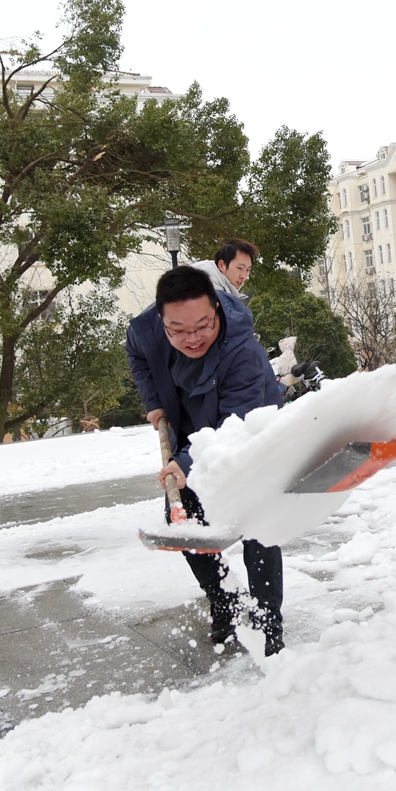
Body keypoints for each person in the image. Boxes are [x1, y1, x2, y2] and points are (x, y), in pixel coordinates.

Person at [125, 264, 286, 653]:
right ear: (160, 319)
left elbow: (234, 424)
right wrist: (154, 404)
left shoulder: (241, 349)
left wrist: (185, 461)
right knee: (184, 524)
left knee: (257, 526)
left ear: (216, 307)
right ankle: (225, 601)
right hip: (187, 424)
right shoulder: (144, 331)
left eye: (202, 326)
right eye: (178, 330)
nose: (192, 338)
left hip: (246, 430)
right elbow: (139, 359)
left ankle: (267, 622)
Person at [191, 238, 258, 298]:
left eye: (248, 270)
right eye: (240, 268)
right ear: (222, 265)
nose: (244, 276)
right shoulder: (203, 289)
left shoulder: (223, 289)